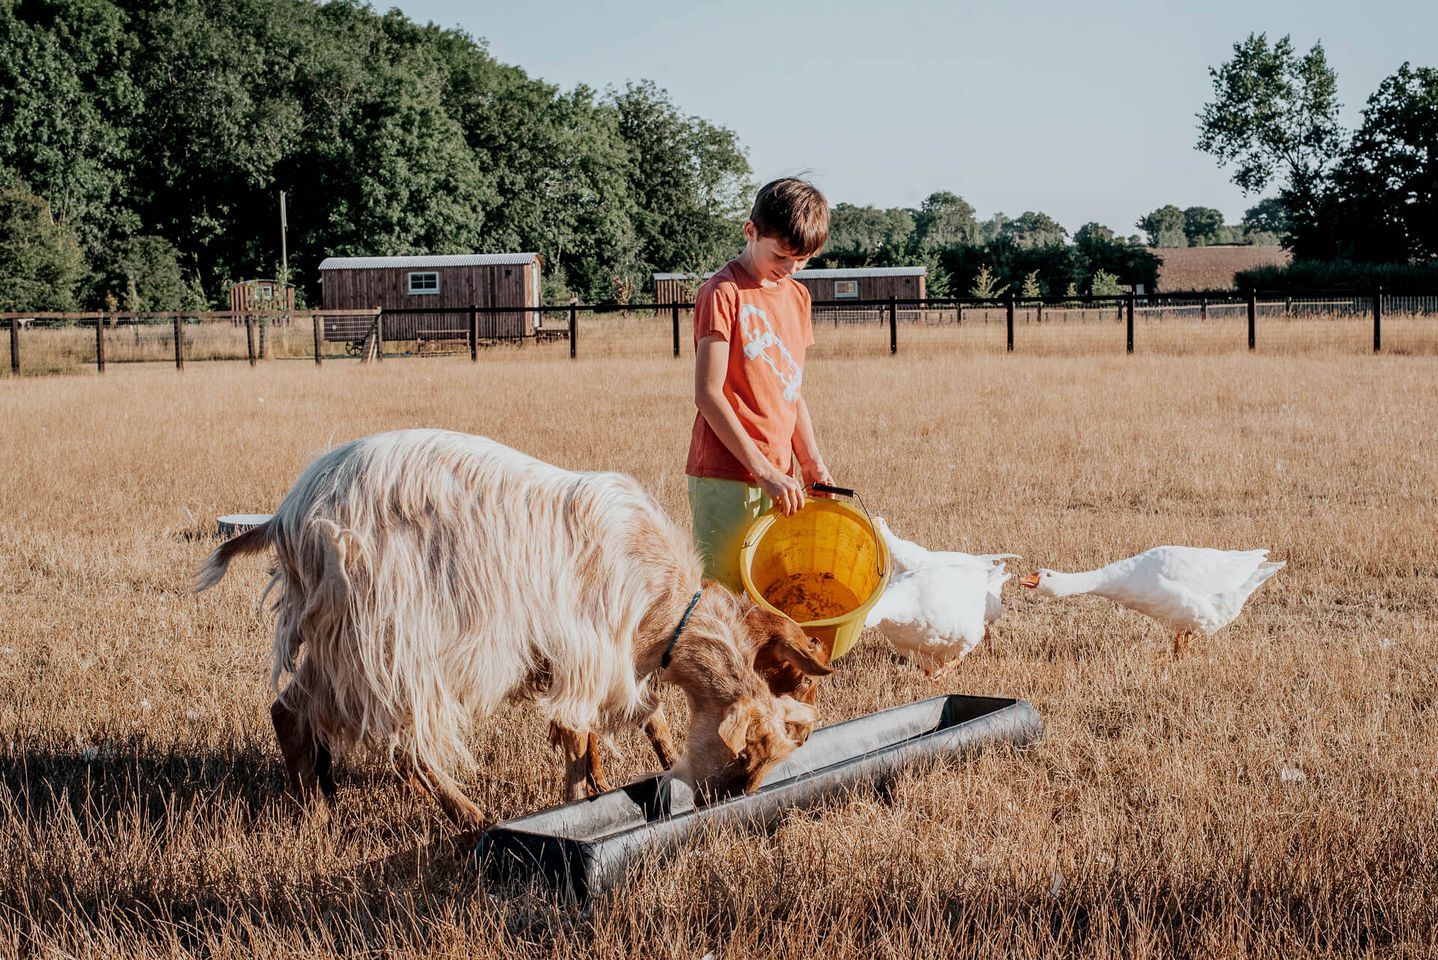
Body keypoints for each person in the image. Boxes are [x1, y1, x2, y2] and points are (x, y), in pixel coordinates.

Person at [686, 177, 834, 592]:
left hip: (780, 477)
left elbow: (792, 391)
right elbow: (708, 394)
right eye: (782, 256)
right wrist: (763, 470)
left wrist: (810, 463)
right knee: (727, 598)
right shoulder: (723, 293)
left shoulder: (797, 297)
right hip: (726, 475)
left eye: (803, 260)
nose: (791, 268)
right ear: (750, 232)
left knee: (777, 590)